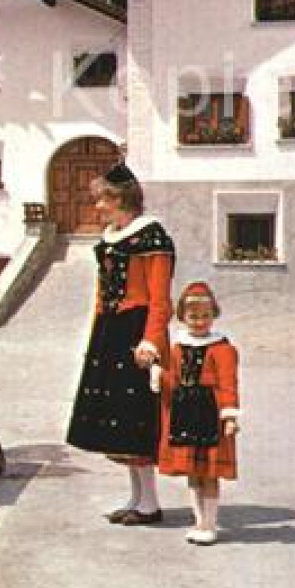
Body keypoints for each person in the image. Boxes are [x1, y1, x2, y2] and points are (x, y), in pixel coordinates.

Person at [65, 162, 176, 526]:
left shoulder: (151, 237)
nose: (97, 207)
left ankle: (150, 504)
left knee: (136, 419)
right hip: (111, 333)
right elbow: (102, 295)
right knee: (119, 424)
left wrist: (151, 341)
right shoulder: (111, 238)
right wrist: (94, 336)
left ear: (120, 199)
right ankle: (137, 498)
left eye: (102, 200)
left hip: (136, 333)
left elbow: (160, 299)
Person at [156, 281, 241, 545]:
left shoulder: (222, 349)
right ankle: (198, 521)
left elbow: (228, 383)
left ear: (213, 315)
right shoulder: (178, 347)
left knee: (210, 473)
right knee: (192, 470)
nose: (199, 322)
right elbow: (173, 378)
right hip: (184, 412)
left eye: (205, 316)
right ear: (183, 317)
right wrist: (160, 376)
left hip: (209, 414)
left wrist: (230, 416)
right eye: (193, 317)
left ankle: (210, 523)